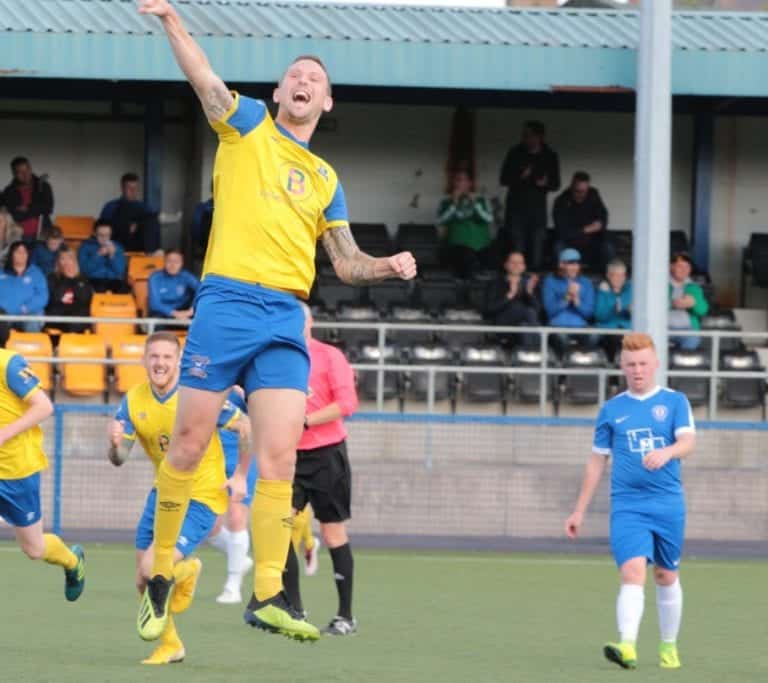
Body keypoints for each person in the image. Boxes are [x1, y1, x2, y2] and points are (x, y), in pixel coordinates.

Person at [137, 0, 416, 646]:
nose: (303, 81)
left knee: (279, 454)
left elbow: (345, 263)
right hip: (227, 303)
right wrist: (173, 22)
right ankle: (161, 572)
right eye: (295, 74)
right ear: (278, 92)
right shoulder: (250, 126)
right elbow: (205, 82)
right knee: (188, 444)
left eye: (314, 78)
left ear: (327, 101)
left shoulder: (326, 179)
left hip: (287, 315)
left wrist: (389, 265)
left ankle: (267, 592)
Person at [107, 332, 250, 664]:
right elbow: (119, 458)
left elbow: (245, 426)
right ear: (145, 360)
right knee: (143, 580)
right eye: (154, 356)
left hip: (201, 494)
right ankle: (171, 644)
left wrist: (241, 475)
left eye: (167, 357)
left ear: (178, 361)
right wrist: (114, 445)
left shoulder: (198, 397)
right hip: (163, 492)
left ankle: (188, 572)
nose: (160, 363)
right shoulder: (133, 400)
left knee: (151, 567)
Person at [565, 332, 695, 671]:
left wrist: (667, 452)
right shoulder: (612, 410)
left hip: (667, 504)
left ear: (655, 365)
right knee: (633, 571)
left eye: (643, 364)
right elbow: (597, 461)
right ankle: (627, 644)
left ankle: (668, 646)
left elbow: (688, 443)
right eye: (631, 364)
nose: (637, 370)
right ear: (622, 367)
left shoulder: (675, 402)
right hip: (627, 506)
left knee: (666, 575)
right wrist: (579, 509)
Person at [283, 303, 359, 635]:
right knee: (278, 528)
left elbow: (347, 404)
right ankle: (293, 610)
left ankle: (345, 616)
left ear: (310, 322)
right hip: (288, 457)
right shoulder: (278, 359)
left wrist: (305, 421)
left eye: (298, 319)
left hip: (327, 456)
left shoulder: (330, 357)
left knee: (332, 533)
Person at [0, 317, 86, 605]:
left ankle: (72, 562)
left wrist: (3, 434)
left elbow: (44, 406)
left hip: (16, 471)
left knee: (34, 549)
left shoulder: (9, 364)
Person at [207, 386, 259, 605]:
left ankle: (233, 585)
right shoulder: (204, 377)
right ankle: (238, 556)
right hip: (210, 458)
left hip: (241, 455)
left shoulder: (243, 378)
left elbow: (259, 411)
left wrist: (243, 390)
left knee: (237, 516)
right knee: (209, 526)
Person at [499, 121, 560, 270]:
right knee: (517, 246)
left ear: (540, 137)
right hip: (516, 209)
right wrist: (521, 176)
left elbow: (556, 184)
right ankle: (516, 282)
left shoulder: (550, 155)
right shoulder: (515, 153)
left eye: (530, 135)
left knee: (537, 246)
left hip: (537, 210)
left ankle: (534, 283)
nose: (526, 139)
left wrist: (545, 183)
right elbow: (503, 179)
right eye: (524, 135)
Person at [437, 169, 493, 278]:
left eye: (465, 180)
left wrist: (475, 203)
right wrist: (454, 203)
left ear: (470, 183)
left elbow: (489, 219)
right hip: (458, 246)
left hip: (482, 246)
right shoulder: (446, 202)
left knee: (490, 261)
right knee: (464, 259)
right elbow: (440, 221)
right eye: (459, 180)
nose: (462, 183)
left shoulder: (481, 200)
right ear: (454, 183)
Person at [552, 171, 611, 273]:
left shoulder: (593, 195)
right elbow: (563, 232)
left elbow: (603, 216)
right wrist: (585, 230)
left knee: (608, 247)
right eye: (578, 191)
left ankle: (606, 279)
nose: (581, 194)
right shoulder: (561, 201)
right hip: (570, 242)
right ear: (571, 186)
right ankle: (562, 280)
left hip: (592, 241)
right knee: (558, 247)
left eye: (584, 191)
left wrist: (600, 224)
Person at [541, 248, 595, 349]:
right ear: (561, 264)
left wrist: (576, 300)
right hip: (557, 326)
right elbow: (549, 311)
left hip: (581, 326)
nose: (575, 267)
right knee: (561, 340)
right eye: (571, 263)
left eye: (577, 263)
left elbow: (589, 313)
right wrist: (566, 297)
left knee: (594, 336)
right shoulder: (550, 281)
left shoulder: (586, 283)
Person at [484, 250, 540, 347]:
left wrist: (529, 293)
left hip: (524, 326)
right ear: (506, 265)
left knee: (525, 326)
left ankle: (530, 357)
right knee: (528, 312)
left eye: (520, 263)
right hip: (503, 325)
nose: (516, 265)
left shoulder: (529, 283)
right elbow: (488, 310)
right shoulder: (496, 283)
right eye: (513, 262)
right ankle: (540, 350)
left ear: (524, 267)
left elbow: (538, 310)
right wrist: (510, 294)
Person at [99, 173, 162, 253]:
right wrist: (126, 227)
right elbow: (102, 228)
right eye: (129, 188)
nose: (133, 191)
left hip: (141, 242)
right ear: (122, 188)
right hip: (119, 241)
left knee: (152, 219)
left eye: (135, 188)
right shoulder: (111, 206)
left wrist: (137, 225)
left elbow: (153, 228)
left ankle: (153, 254)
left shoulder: (145, 207)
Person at [0, 241, 49, 332]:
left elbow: (43, 296)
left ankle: (31, 346)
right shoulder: (1, 272)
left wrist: (26, 308)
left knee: (32, 321)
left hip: (28, 313)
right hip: (4, 314)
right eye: (18, 252)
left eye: (24, 252)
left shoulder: (36, 273)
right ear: (11, 254)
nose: (21, 255)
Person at [1, 157, 54, 241]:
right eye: (20, 172)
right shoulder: (9, 192)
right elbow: (14, 215)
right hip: (18, 236)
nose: (25, 174)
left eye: (27, 169)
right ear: (14, 173)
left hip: (43, 233)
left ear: (30, 168)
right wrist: (36, 209)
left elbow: (48, 208)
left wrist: (27, 208)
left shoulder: (43, 186)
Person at [45, 248, 94, 334]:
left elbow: (85, 299)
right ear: (58, 261)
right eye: (63, 258)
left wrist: (74, 280)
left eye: (69, 258)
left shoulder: (82, 278)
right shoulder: (52, 277)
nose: (66, 262)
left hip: (78, 317)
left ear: (74, 261)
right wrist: (67, 279)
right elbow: (56, 298)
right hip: (58, 316)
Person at [668, 252, 708, 351]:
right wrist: (672, 303)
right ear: (671, 266)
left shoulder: (694, 287)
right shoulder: (659, 282)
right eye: (680, 266)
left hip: (686, 329)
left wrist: (693, 303)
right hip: (660, 327)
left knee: (692, 338)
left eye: (687, 267)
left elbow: (703, 310)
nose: (684, 270)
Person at [147, 250, 199, 323]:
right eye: (169, 261)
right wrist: (176, 314)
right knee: (155, 321)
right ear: (164, 262)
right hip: (163, 313)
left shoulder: (186, 276)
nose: (173, 265)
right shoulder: (155, 277)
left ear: (182, 263)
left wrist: (191, 310)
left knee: (201, 319)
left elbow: (201, 289)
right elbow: (154, 304)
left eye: (177, 262)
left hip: (184, 311)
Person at [595, 259, 632, 361]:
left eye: (622, 275)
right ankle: (613, 373)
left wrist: (631, 311)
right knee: (614, 340)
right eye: (616, 275)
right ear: (608, 276)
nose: (620, 279)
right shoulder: (603, 291)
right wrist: (614, 309)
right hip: (608, 330)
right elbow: (599, 316)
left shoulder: (631, 289)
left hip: (628, 329)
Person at [77, 220, 129, 293]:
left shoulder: (118, 247)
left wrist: (112, 256)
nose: (104, 238)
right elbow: (84, 270)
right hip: (93, 280)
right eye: (101, 235)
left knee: (125, 290)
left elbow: (120, 271)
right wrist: (98, 255)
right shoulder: (85, 247)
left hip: (114, 281)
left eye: (107, 235)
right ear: (94, 234)